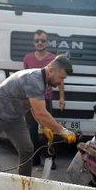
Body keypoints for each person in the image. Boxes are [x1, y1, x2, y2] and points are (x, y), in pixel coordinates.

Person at [0, 55, 77, 176]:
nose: (61, 82)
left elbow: (34, 107)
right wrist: (62, 131)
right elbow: (41, 113)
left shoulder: (43, 80)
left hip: (14, 116)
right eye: (61, 78)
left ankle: (24, 184)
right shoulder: (34, 79)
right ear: (51, 69)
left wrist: (44, 126)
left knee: (26, 149)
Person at [23, 30, 66, 168]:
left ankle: (50, 159)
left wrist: (61, 97)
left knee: (49, 129)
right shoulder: (28, 58)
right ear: (33, 42)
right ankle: (34, 159)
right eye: (37, 41)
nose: (40, 43)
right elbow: (24, 78)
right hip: (31, 101)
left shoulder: (54, 59)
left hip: (46, 99)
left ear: (47, 42)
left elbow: (60, 80)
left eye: (42, 40)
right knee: (32, 130)